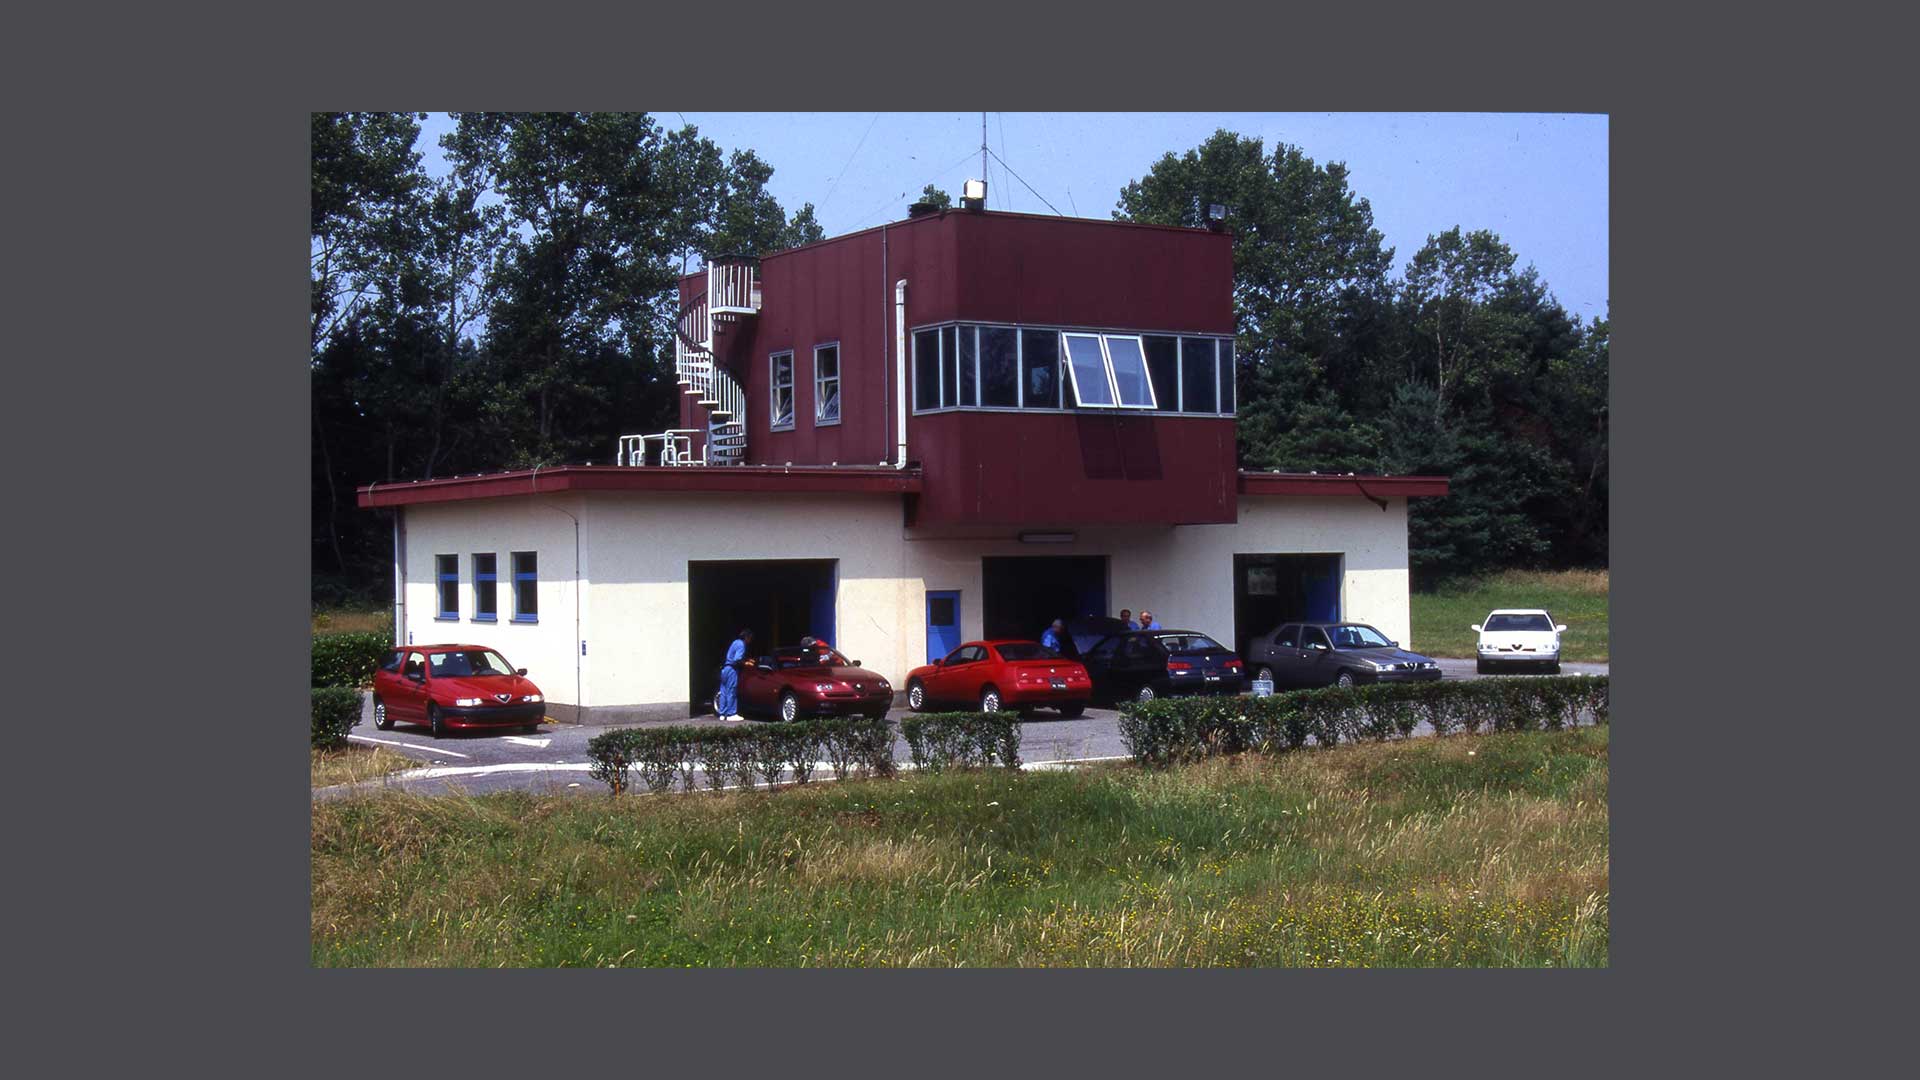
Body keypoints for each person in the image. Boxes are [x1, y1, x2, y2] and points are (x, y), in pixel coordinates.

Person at [716, 628, 753, 722]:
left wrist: (746, 660)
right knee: (731, 691)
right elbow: (737, 659)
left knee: (723, 691)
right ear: (746, 637)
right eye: (750, 638)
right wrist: (746, 663)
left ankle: (722, 713)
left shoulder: (735, 642)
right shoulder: (741, 644)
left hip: (725, 669)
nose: (750, 641)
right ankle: (731, 713)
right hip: (732, 670)